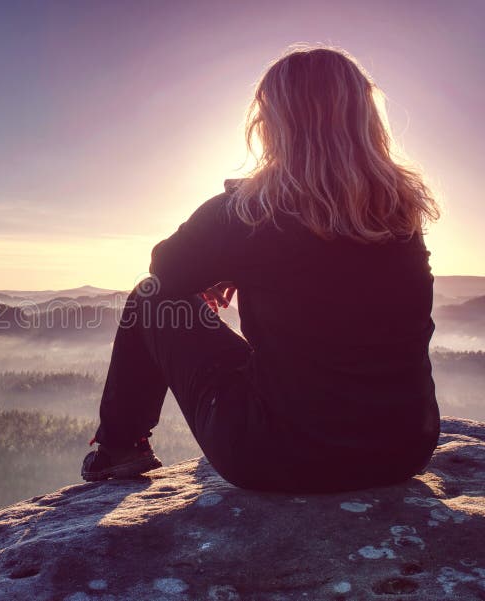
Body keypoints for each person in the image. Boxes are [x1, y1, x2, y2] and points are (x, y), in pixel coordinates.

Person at [81, 45, 441, 494]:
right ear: (365, 120)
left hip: (281, 456)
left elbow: (165, 268)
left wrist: (230, 258)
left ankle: (119, 447)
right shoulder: (400, 213)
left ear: (272, 126)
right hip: (403, 450)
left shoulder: (250, 213)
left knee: (149, 297)